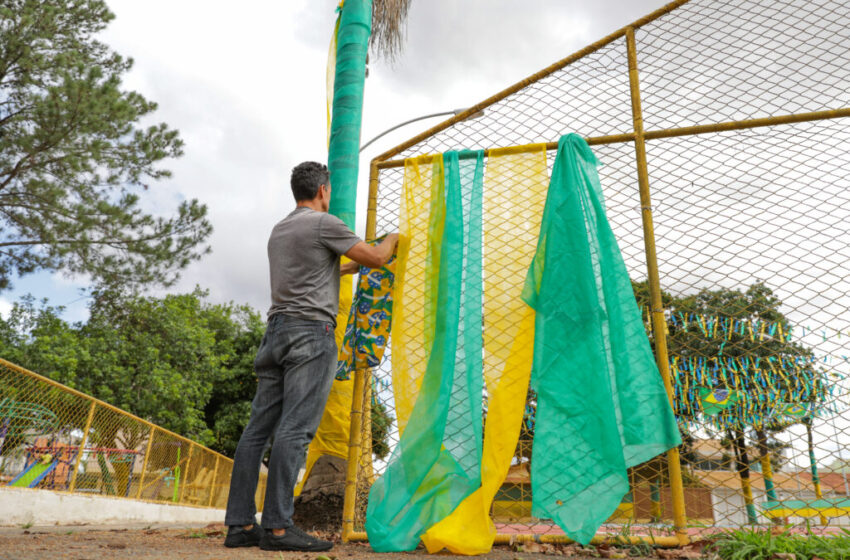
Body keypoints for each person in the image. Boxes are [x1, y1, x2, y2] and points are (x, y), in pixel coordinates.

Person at [223, 161, 399, 551]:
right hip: (310, 335)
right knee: (296, 429)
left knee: (257, 431)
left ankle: (239, 526)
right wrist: (392, 240)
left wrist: (353, 260)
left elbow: (331, 267)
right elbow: (375, 258)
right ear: (322, 191)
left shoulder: (281, 229)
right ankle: (279, 529)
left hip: (276, 334)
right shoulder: (325, 223)